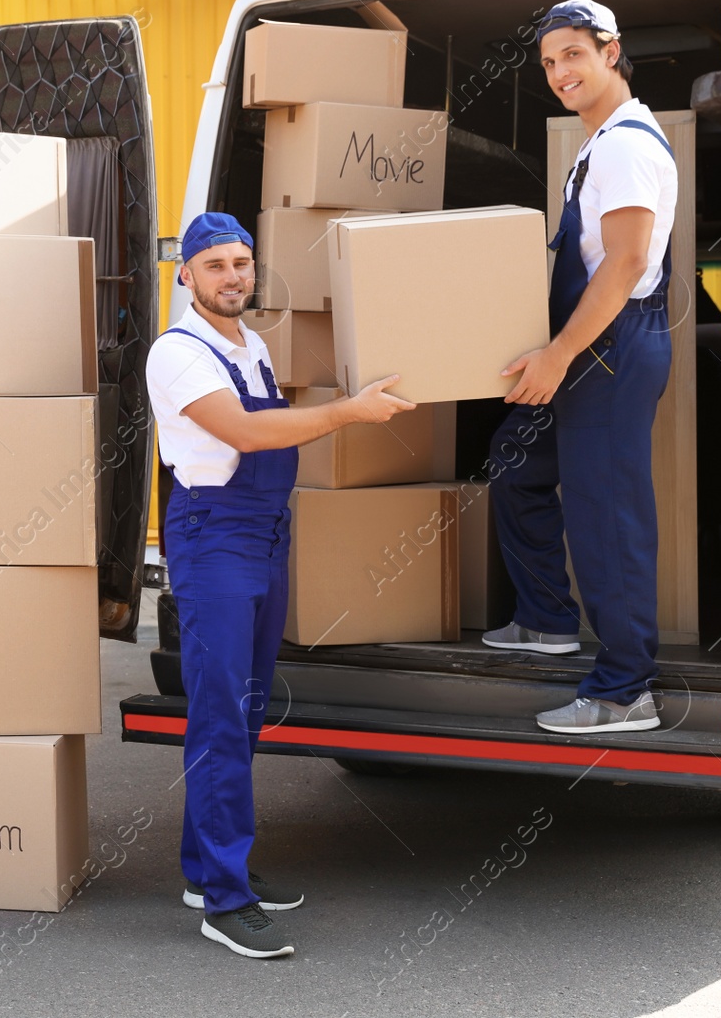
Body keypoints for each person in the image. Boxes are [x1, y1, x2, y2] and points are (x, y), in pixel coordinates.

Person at [145, 212, 413, 958]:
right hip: (214, 539)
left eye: (243, 263)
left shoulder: (252, 345)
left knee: (250, 704)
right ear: (187, 275)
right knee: (221, 716)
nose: (234, 276)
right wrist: (349, 411)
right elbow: (249, 432)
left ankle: (208, 869)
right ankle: (224, 903)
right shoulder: (177, 351)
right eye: (217, 265)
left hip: (264, 534)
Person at [483, 0, 680, 734]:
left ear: (610, 51)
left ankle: (626, 688)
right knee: (518, 461)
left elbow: (627, 260)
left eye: (572, 54)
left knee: (607, 514)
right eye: (548, 62)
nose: (559, 72)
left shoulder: (627, 144)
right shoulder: (596, 145)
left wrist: (560, 355)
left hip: (608, 346)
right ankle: (546, 616)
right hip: (588, 344)